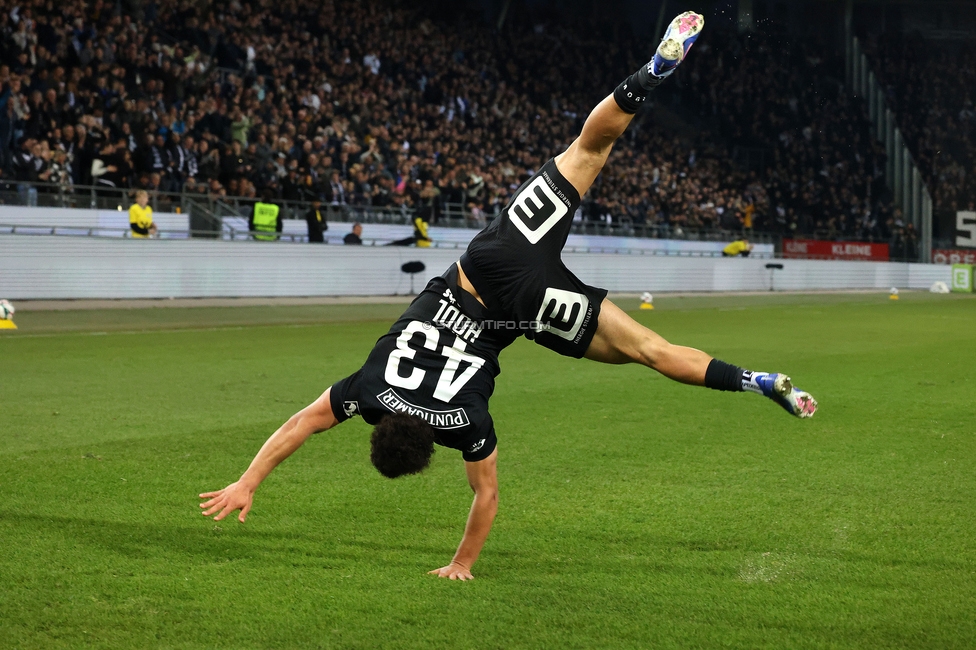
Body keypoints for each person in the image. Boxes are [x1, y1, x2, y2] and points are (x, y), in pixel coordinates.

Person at [200, 13, 817, 581]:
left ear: (426, 447)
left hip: (528, 308)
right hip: (492, 260)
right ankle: (649, 75)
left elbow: (486, 494)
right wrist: (247, 478)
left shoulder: (462, 424)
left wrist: (461, 564)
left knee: (646, 351)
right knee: (587, 150)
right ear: (381, 423)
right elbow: (302, 423)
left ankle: (753, 380)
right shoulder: (367, 388)